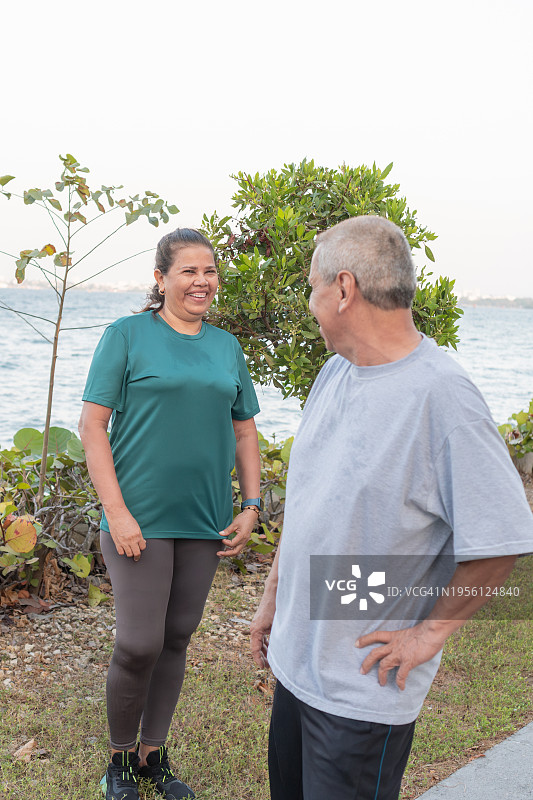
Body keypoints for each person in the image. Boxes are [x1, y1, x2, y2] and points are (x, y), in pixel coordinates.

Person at [250, 216, 533, 800]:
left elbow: (502, 540)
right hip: (298, 671)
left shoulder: (442, 396)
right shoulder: (335, 373)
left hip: (361, 692)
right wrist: (274, 596)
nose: (311, 303)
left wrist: (427, 636)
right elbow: (310, 501)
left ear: (344, 289)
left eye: (312, 287)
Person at [79, 228, 261, 800]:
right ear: (160, 279)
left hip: (205, 521)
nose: (202, 282)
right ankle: (118, 763)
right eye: (188, 271)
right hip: (138, 520)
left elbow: (244, 428)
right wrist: (117, 511)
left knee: (177, 637)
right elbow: (92, 426)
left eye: (209, 272)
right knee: (138, 643)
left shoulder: (227, 346)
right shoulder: (127, 336)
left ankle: (152, 756)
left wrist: (251, 505)